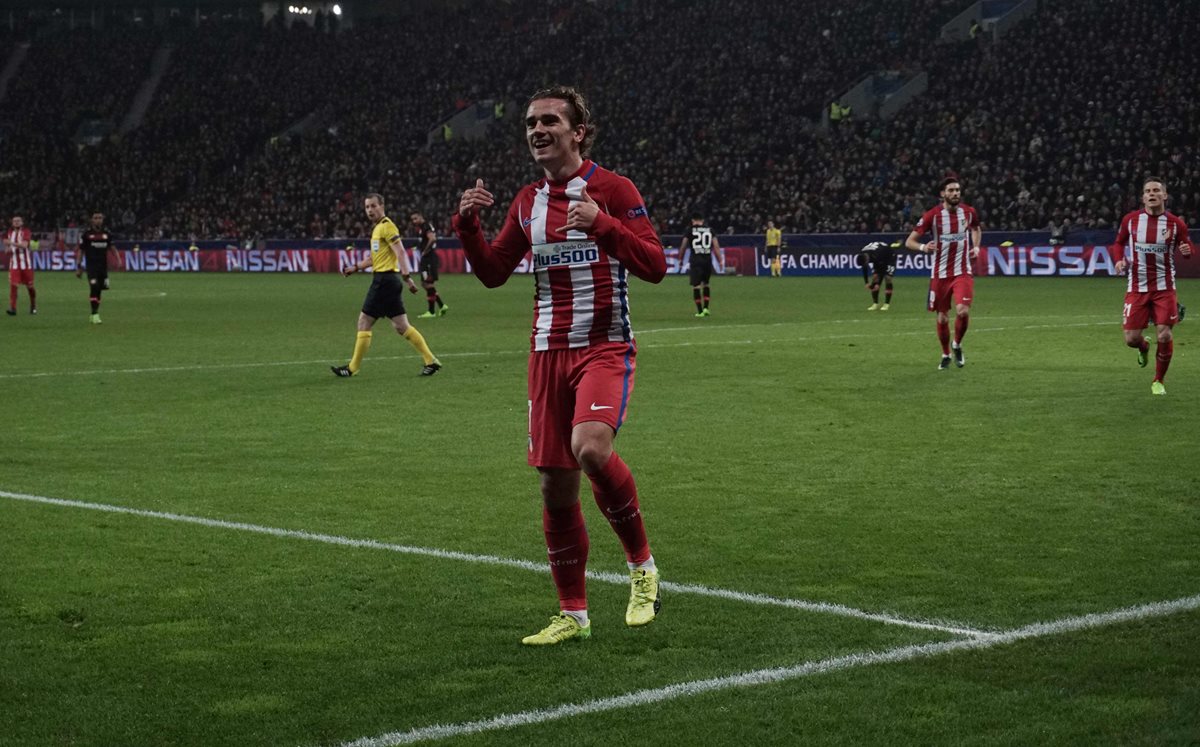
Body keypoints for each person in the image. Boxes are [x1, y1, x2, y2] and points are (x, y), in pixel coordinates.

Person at [453, 85, 666, 646]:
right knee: (555, 487)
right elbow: (495, 272)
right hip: (547, 351)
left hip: (603, 345)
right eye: (530, 123)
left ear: (579, 131)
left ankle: (642, 569)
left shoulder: (614, 190)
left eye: (550, 120)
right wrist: (469, 227)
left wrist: (602, 223)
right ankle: (573, 615)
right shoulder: (527, 202)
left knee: (591, 448)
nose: (537, 130)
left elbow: (655, 265)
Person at [331, 194, 442, 377]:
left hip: (384, 281)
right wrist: (356, 267)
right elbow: (374, 258)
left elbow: (400, 252)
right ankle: (431, 361)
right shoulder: (377, 229)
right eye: (367, 207)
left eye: (373, 206)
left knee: (364, 321)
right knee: (401, 326)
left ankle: (352, 368)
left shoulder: (387, 226)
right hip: (388, 282)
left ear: (382, 206)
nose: (370, 210)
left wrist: (407, 277)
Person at [1111, 177, 1193, 395]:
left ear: (1164, 195)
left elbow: (1188, 246)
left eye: (1156, 190)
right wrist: (1119, 259)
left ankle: (1158, 380)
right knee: (1131, 339)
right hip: (1137, 287)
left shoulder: (1176, 224)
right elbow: (1118, 243)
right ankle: (1144, 347)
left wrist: (1187, 251)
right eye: (1148, 191)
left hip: (1164, 287)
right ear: (1143, 197)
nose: (1152, 194)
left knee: (1164, 335)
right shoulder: (1131, 220)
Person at [906, 176, 980, 369]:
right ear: (943, 194)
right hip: (939, 274)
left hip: (962, 271)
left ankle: (957, 344)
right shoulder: (932, 216)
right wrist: (923, 248)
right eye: (951, 190)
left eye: (957, 190)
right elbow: (909, 241)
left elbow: (976, 228)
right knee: (942, 317)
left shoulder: (969, 212)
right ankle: (946, 353)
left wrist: (977, 246)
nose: (955, 193)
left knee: (962, 311)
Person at [75, 212, 117, 324]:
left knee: (99, 290)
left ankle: (95, 312)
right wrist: (79, 267)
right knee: (94, 287)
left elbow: (112, 247)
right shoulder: (86, 235)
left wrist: (118, 259)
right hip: (91, 267)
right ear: (92, 220)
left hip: (103, 268)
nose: (98, 220)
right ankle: (94, 314)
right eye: (95, 218)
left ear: (102, 220)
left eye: (100, 218)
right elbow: (81, 250)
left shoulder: (107, 234)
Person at [681, 213, 723, 317]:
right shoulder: (710, 230)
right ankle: (706, 308)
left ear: (693, 220)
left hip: (695, 260)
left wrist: (680, 259)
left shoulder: (689, 230)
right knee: (706, 284)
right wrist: (720, 260)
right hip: (707, 260)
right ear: (702, 220)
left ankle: (699, 311)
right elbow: (716, 246)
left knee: (696, 286)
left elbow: (683, 245)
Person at [410, 212, 448, 318]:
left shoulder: (426, 226)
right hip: (427, 259)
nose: (414, 221)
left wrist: (425, 251)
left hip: (429, 259)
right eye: (412, 219)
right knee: (425, 283)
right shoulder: (423, 227)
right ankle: (441, 305)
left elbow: (432, 239)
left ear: (421, 217)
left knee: (427, 283)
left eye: (415, 218)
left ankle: (431, 312)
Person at [5, 214, 36, 315]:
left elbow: (24, 245)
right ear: (12, 223)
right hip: (14, 265)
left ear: (22, 222)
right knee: (13, 286)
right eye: (15, 221)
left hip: (26, 265)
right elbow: (7, 249)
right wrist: (8, 249)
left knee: (30, 287)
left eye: (18, 220)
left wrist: (11, 243)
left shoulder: (26, 232)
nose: (16, 222)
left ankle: (33, 305)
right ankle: (13, 308)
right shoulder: (10, 233)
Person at [858, 240, 896, 311]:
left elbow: (883, 268)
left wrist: (878, 284)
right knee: (875, 278)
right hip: (878, 258)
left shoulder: (878, 254)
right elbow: (865, 267)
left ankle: (886, 304)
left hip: (889, 257)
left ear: (867, 258)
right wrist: (866, 282)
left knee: (888, 278)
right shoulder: (863, 254)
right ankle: (875, 303)